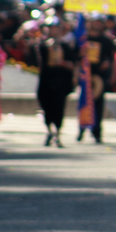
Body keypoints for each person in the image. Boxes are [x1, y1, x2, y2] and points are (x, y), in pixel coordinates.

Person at [29, 17, 78, 147]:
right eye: (50, 28)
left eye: (55, 28)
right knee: (46, 106)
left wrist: (64, 64)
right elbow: (36, 61)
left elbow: (72, 63)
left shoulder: (65, 45)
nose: (52, 30)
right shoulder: (42, 45)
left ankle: (57, 132)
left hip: (61, 81)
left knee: (58, 107)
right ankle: (49, 130)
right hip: (46, 81)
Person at [79, 17, 115, 143]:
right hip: (85, 76)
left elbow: (111, 59)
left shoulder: (106, 41)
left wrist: (108, 67)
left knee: (98, 105)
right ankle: (82, 128)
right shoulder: (83, 39)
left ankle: (97, 131)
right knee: (84, 102)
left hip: (99, 76)